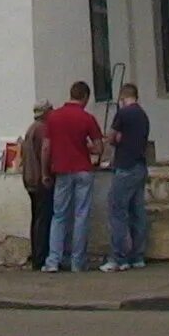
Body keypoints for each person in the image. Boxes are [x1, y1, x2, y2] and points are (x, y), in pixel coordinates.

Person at [43, 82, 103, 273]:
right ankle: (78, 262)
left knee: (59, 215)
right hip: (83, 170)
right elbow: (99, 147)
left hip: (61, 170)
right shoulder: (87, 118)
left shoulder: (53, 118)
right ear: (85, 97)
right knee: (81, 216)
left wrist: (45, 172)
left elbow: (46, 148)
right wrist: (87, 148)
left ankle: (53, 260)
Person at [103, 84, 151, 272]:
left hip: (125, 167)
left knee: (117, 211)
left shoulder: (123, 114)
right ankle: (137, 256)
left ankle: (119, 258)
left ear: (122, 98)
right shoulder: (143, 115)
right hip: (140, 166)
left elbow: (111, 137)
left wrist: (115, 139)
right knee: (137, 211)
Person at [19, 103, 53, 270]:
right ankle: (41, 256)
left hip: (30, 179)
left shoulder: (31, 129)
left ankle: (37, 255)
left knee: (37, 218)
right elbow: (45, 152)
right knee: (43, 219)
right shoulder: (42, 130)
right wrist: (46, 174)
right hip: (40, 180)